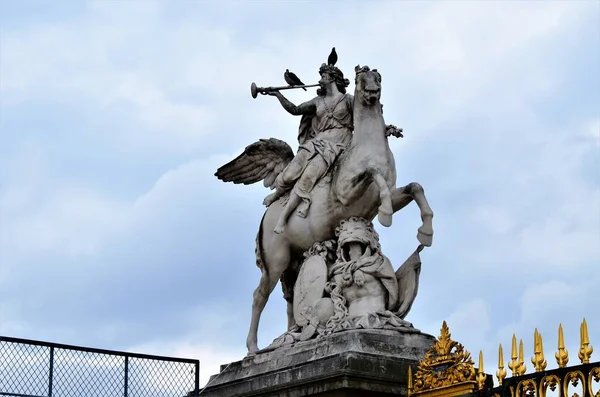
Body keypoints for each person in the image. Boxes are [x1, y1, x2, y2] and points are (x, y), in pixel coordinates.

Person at [263, 63, 354, 234]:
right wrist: (278, 95)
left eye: (323, 76)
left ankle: (284, 217)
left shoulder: (348, 100)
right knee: (290, 173)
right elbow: (295, 110)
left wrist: (384, 128)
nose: (320, 80)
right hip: (315, 143)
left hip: (337, 144)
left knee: (309, 175)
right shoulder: (317, 102)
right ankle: (277, 194)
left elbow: (365, 117)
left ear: (332, 78)